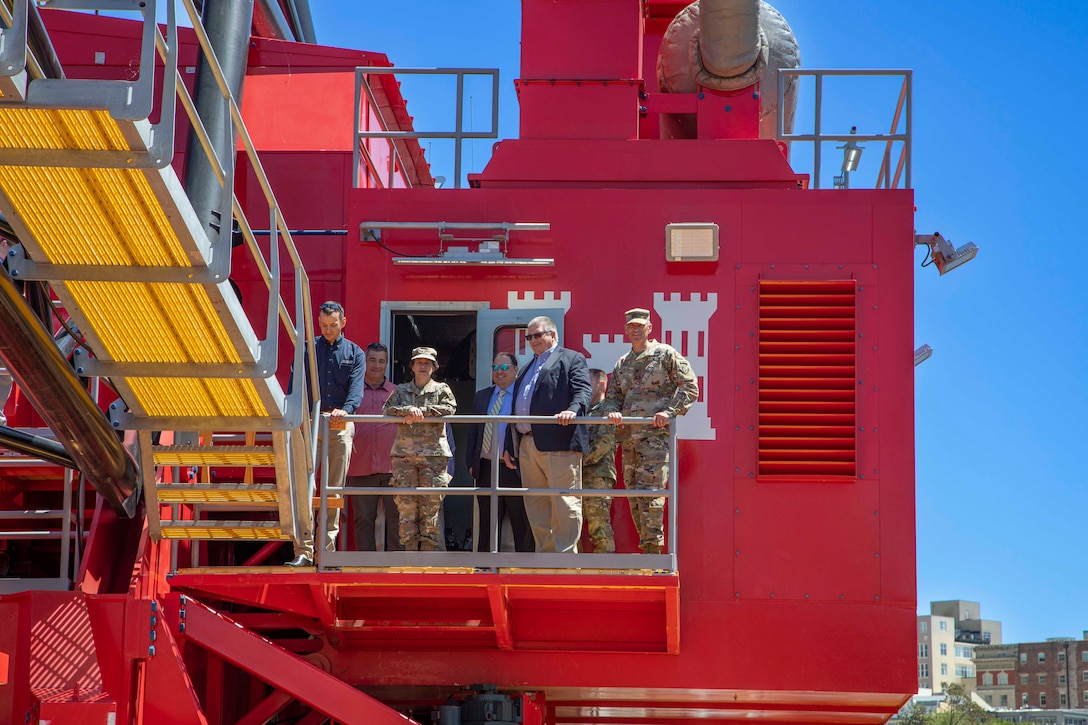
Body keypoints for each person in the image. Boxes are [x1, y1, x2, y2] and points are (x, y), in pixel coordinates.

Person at [601, 308, 699, 554]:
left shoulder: (665, 354)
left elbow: (690, 386)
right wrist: (612, 411)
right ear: (626, 330)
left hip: (654, 439)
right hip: (629, 441)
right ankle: (647, 550)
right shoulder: (623, 363)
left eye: (640, 326)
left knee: (651, 495)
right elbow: (612, 397)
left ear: (649, 328)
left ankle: (654, 553)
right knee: (635, 496)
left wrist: (669, 412)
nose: (636, 330)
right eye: (631, 326)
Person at [502, 316, 591, 553]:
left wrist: (572, 411)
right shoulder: (528, 367)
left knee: (564, 503)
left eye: (538, 335)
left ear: (553, 335)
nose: (533, 340)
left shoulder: (571, 358)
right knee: (536, 504)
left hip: (559, 441)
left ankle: (564, 562)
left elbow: (583, 391)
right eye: (529, 337)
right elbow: (517, 407)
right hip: (527, 443)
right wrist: (510, 446)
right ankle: (546, 559)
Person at [288, 300, 364, 567]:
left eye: (333, 325)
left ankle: (326, 552)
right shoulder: (307, 349)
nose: (328, 330)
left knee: (332, 492)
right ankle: (303, 551)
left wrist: (347, 410)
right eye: (323, 325)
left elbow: (356, 390)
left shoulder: (355, 353)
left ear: (343, 322)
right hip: (309, 424)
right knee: (304, 489)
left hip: (339, 425)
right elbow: (294, 386)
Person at [383, 347, 457, 551]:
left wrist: (420, 412)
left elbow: (449, 408)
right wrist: (406, 410)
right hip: (404, 456)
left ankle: (427, 558)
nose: (422, 366)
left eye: (427, 363)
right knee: (406, 507)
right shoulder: (401, 390)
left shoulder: (442, 389)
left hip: (433, 457)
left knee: (430, 508)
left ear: (434, 367)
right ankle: (410, 556)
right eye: (419, 362)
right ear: (412, 367)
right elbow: (387, 409)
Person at [466, 352, 533, 553]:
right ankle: (484, 568)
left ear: (515, 370)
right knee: (487, 523)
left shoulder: (522, 397)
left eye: (504, 368)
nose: (499, 373)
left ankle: (524, 570)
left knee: (520, 522)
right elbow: (473, 432)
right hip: (485, 468)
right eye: (495, 368)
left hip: (514, 468)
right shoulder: (482, 396)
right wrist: (471, 463)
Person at [345, 342, 401, 551]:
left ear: (386, 364)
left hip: (392, 470)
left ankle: (397, 567)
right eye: (372, 360)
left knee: (397, 520)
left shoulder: (397, 393)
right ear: (365, 361)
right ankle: (365, 565)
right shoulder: (353, 393)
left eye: (381, 361)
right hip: (360, 468)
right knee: (363, 521)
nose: (377, 365)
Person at [582, 368, 617, 553]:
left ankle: (604, 571)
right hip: (575, 476)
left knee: (599, 527)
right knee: (571, 527)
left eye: (587, 384)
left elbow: (604, 443)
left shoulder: (609, 411)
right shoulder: (581, 409)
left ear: (601, 385)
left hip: (597, 476)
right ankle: (571, 573)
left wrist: (575, 462)